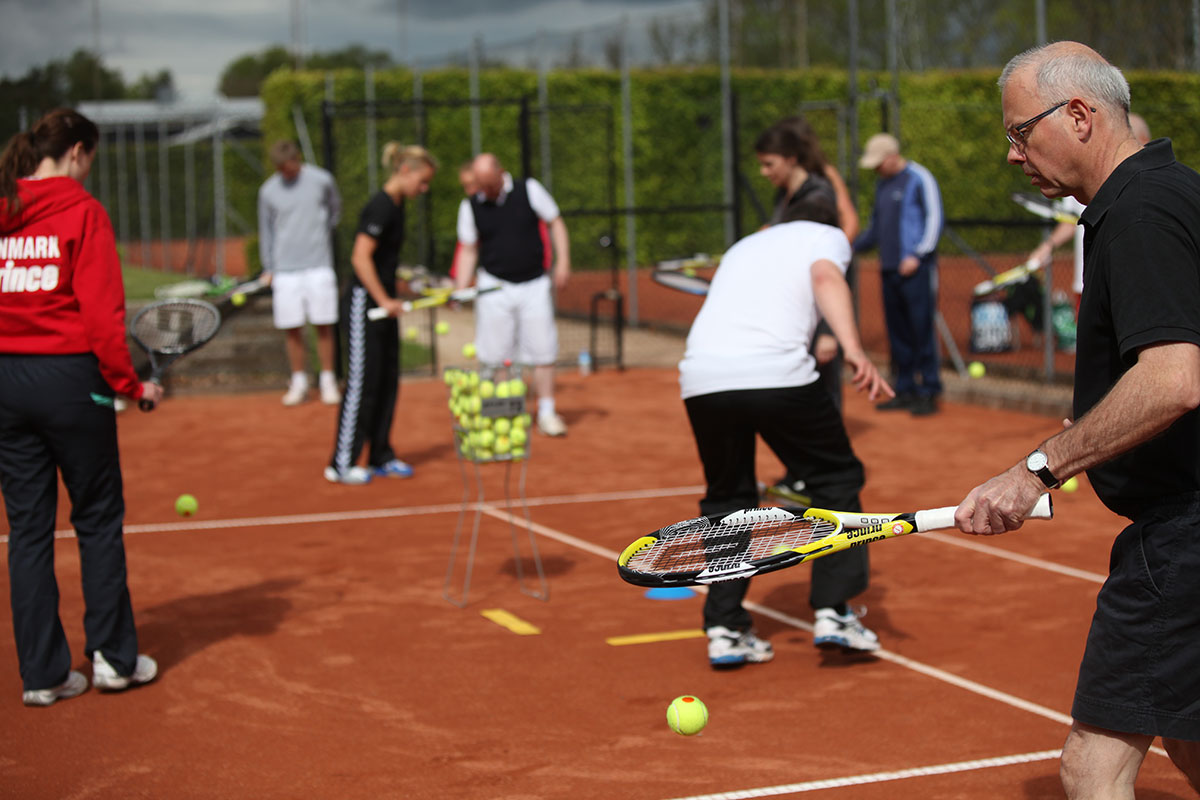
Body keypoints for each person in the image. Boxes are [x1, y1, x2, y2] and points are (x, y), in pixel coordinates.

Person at [954, 42, 1200, 798]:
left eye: (1021, 132)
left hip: (1184, 534)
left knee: (1093, 764)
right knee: (1190, 737)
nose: (1011, 154)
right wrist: (1099, 423)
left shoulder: (1138, 213)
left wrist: (1038, 470)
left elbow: (1173, 380)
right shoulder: (1172, 191)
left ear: (1081, 115)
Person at [678, 196, 894, 668]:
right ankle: (835, 612)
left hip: (701, 378)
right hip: (777, 374)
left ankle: (724, 627)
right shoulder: (826, 236)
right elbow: (825, 279)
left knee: (728, 498)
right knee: (836, 479)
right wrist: (854, 348)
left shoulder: (745, 245)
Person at [0, 108, 162, 706]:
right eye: (89, 157)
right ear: (76, 151)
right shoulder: (83, 211)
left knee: (27, 531)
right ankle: (114, 660)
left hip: (5, 381)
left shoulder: (4, 205)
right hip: (70, 378)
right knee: (96, 518)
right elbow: (101, 317)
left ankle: (42, 675)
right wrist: (132, 386)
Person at [755, 117, 862, 504]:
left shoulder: (817, 198)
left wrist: (829, 332)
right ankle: (801, 475)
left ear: (791, 157)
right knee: (797, 392)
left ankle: (823, 484)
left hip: (818, 316)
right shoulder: (788, 195)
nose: (764, 172)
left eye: (769, 163)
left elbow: (828, 266)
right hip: (797, 315)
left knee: (820, 397)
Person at [325, 142, 437, 485]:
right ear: (404, 171)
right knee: (363, 383)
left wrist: (409, 282)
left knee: (387, 381)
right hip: (365, 305)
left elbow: (384, 260)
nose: (424, 189)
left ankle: (380, 455)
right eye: (422, 181)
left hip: (382, 306)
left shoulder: (398, 206)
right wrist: (383, 300)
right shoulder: (381, 206)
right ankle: (341, 463)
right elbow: (360, 258)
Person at [454, 153, 570, 437]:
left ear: (501, 173)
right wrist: (460, 287)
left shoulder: (529, 189)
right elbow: (468, 249)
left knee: (543, 350)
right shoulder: (470, 206)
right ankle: (506, 413)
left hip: (534, 284)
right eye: (480, 185)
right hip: (493, 286)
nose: (485, 190)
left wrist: (563, 262)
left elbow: (555, 221)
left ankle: (547, 412)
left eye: (489, 184)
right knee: (497, 355)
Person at [854, 133, 945, 416]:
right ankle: (905, 389)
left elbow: (934, 219)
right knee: (898, 334)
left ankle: (929, 390)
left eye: (879, 163)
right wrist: (848, 246)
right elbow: (875, 228)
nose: (876, 169)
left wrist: (917, 255)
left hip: (916, 270)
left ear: (892, 157)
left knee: (921, 330)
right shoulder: (882, 184)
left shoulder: (919, 177)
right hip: (889, 269)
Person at [1024, 112, 1151, 308]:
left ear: (1144, 141)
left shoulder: (1150, 188)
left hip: (1129, 287)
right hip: (1086, 285)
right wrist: (1047, 247)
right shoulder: (1082, 176)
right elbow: (1071, 222)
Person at [257, 140, 343, 406]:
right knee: (292, 328)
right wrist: (269, 266)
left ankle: (328, 380)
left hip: (319, 265)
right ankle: (299, 382)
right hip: (285, 271)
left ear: (298, 159)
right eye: (281, 168)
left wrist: (318, 238)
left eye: (289, 166)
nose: (286, 172)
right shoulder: (268, 191)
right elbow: (266, 231)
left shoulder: (322, 180)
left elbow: (335, 211)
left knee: (323, 324)